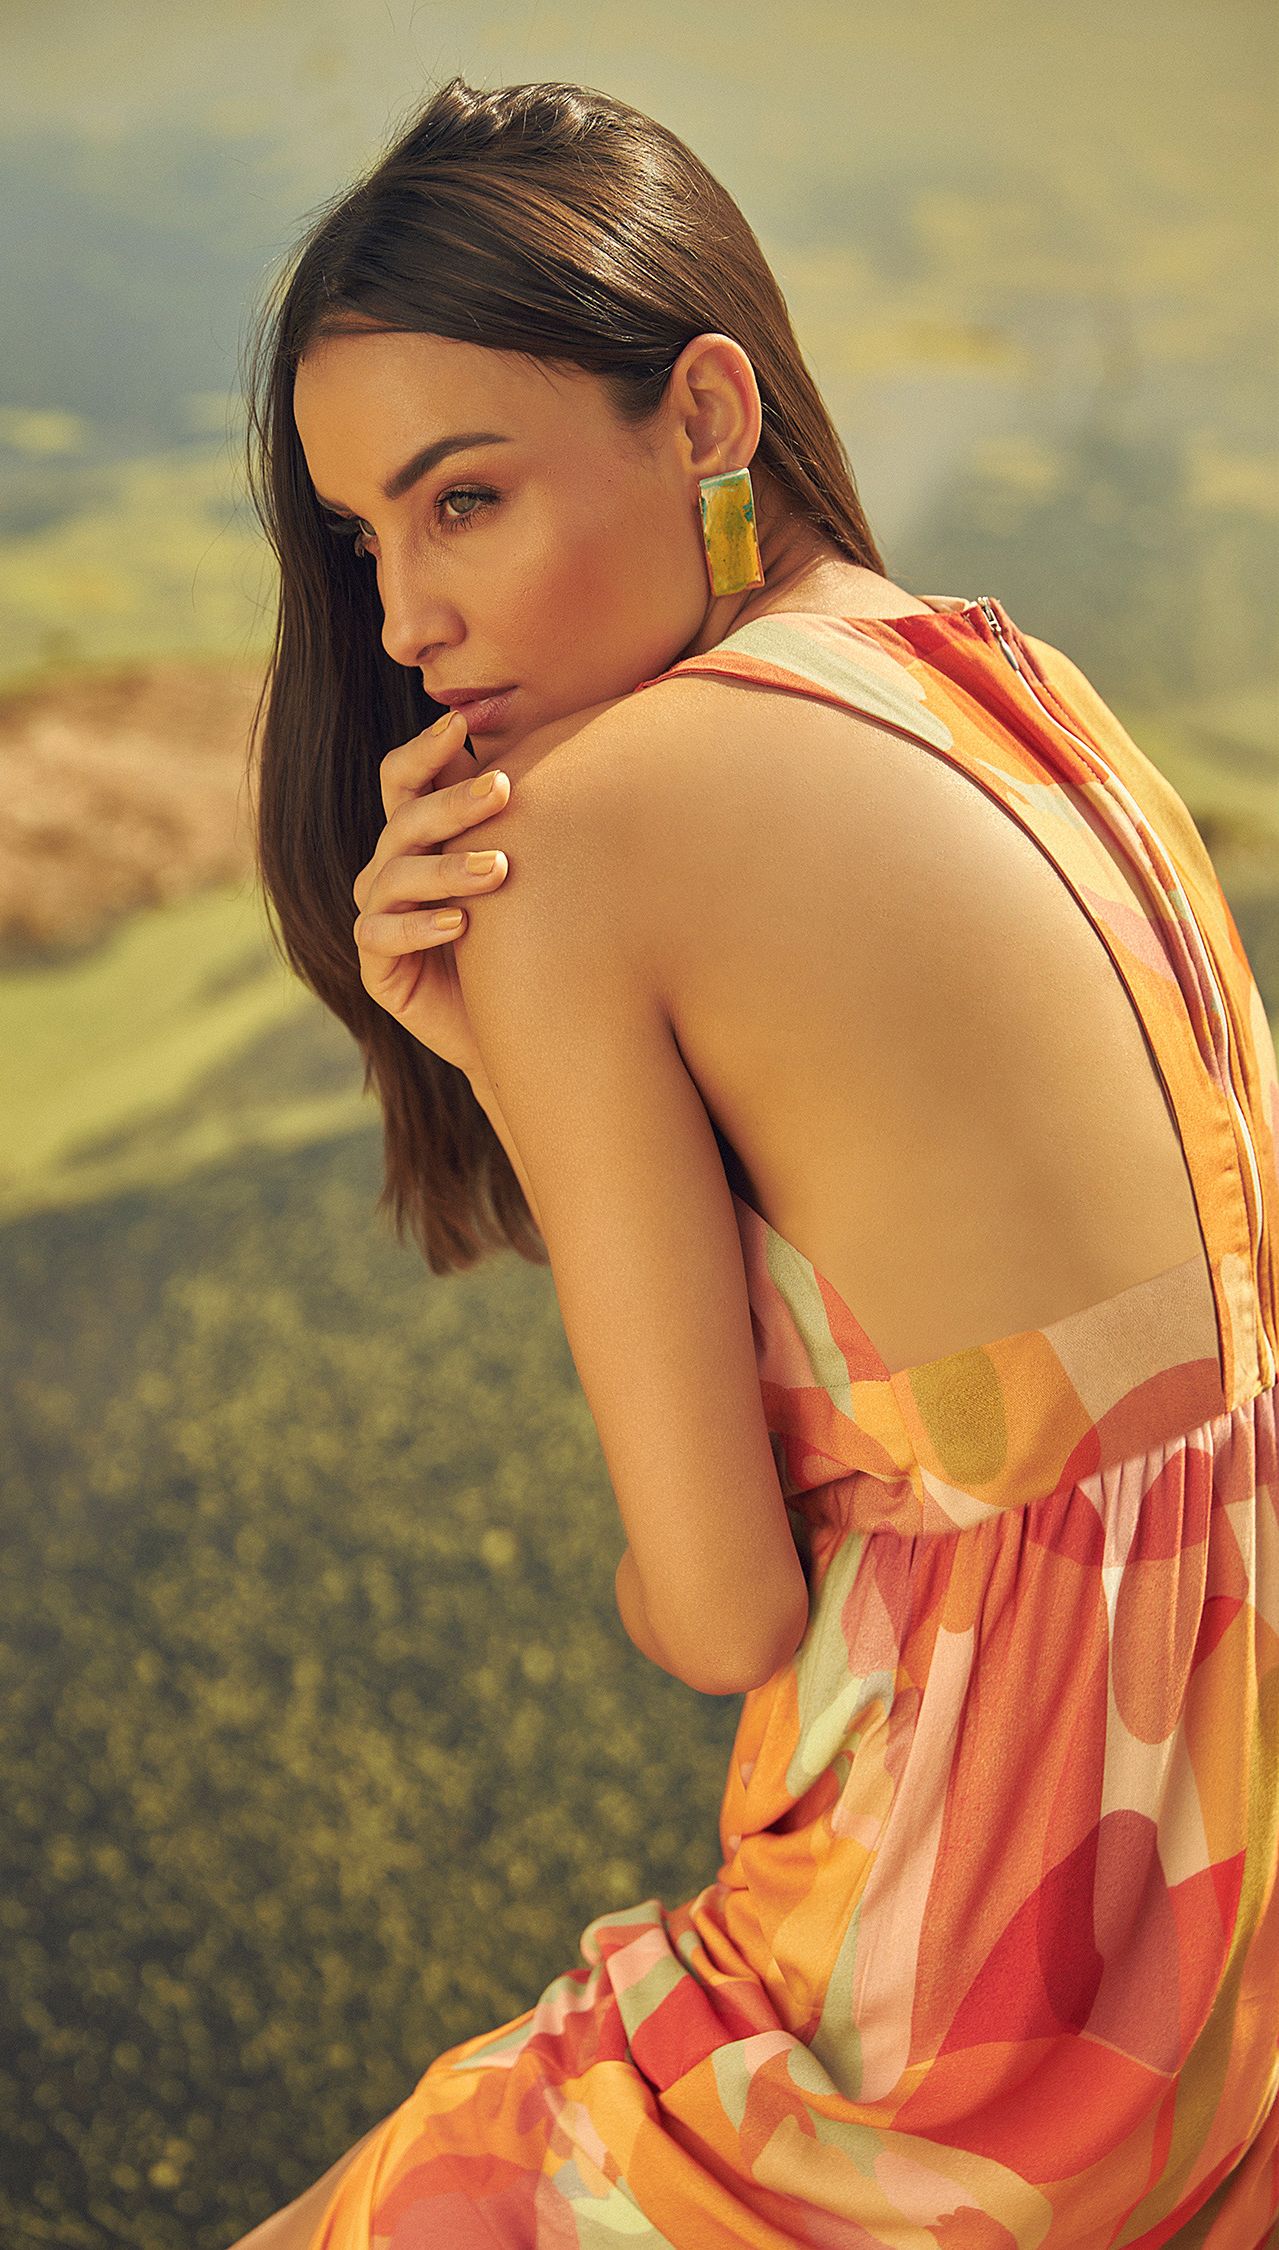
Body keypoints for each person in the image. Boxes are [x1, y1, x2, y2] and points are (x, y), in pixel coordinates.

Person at [229, 77, 1279, 2250]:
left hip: (962, 2014)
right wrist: (507, 1058)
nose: (405, 619)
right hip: (1223, 1949)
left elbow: (718, 1615)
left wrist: (519, 1013)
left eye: (465, 499)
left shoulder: (585, 837)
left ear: (707, 413)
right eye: (363, 541)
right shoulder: (1018, 686)